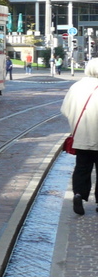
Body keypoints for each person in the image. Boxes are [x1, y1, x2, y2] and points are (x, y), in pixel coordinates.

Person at [61, 57, 98, 214]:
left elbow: (65, 110)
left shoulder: (76, 86)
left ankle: (78, 194)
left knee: (82, 167)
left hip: (81, 137)